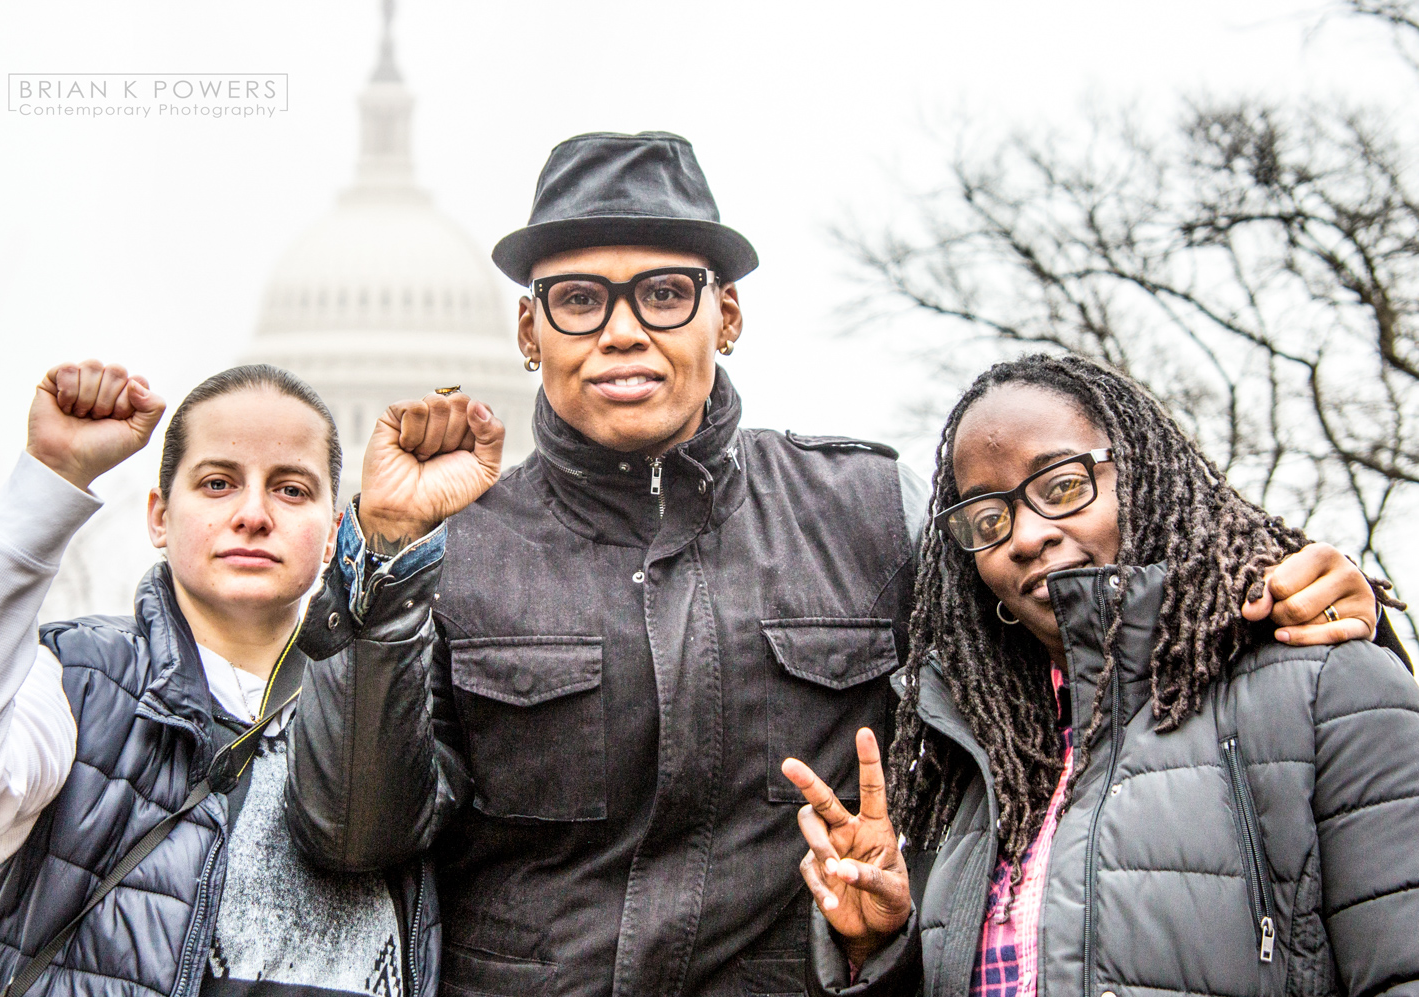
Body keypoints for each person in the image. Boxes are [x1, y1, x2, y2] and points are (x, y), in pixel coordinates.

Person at [284, 133, 1386, 997]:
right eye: (580, 300)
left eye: (663, 294)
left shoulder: (870, 510)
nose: (622, 332)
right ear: (530, 332)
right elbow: (355, 832)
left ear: (727, 314)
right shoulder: (452, 547)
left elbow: (1076, 658)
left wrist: (1305, 608)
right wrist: (382, 563)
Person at [784, 353, 1419, 997]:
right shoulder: (972, 764)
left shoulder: (1322, 687)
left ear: (1142, 476)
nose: (1025, 537)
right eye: (987, 519)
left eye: (1061, 486)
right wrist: (879, 948)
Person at [0, 360, 503, 996]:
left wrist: (392, 539)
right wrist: (51, 480)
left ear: (336, 534)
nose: (252, 514)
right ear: (159, 517)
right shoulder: (75, 679)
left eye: (292, 490)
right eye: (219, 483)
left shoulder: (400, 713)